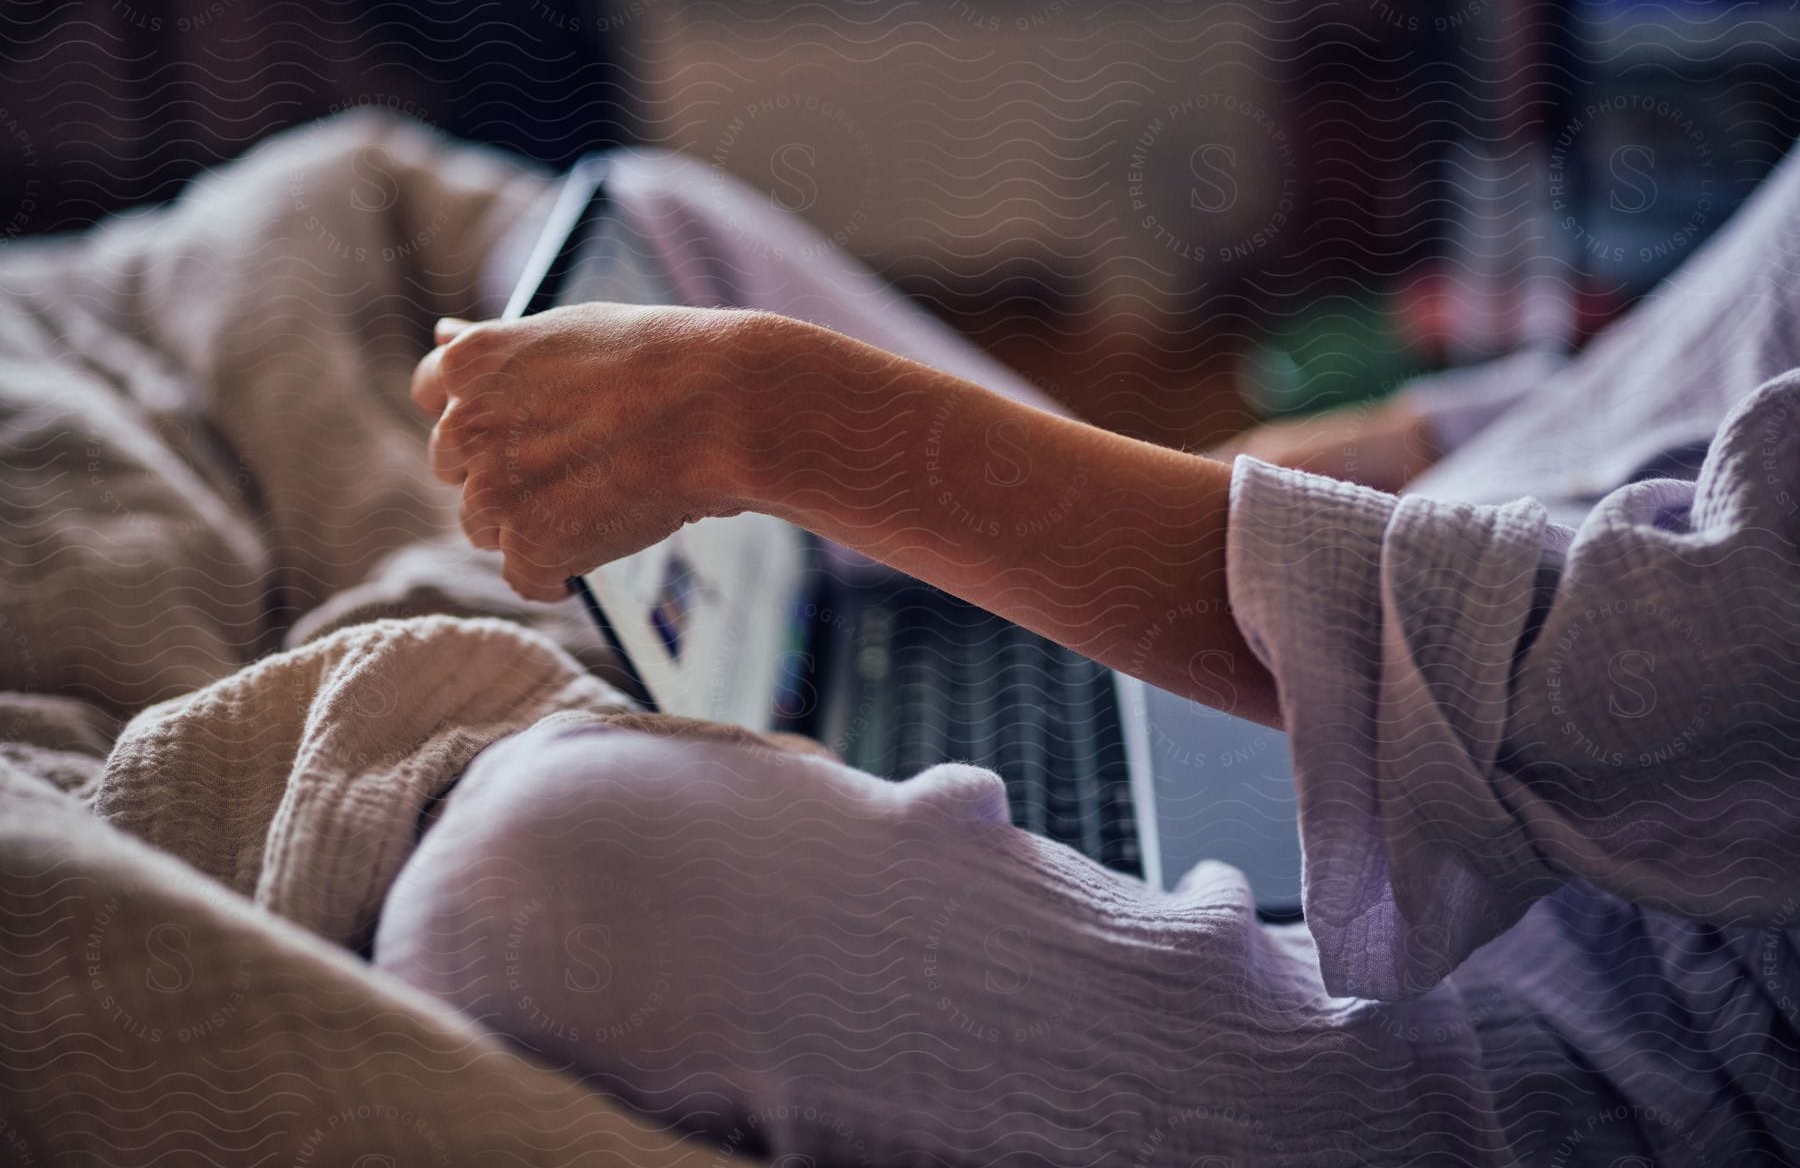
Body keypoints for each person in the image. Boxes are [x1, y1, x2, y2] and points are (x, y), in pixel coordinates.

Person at [373, 138, 1800, 1167]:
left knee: (534, 889)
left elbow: (1601, 696)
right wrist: (1393, 447)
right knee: (651, 221)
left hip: (1609, 1006)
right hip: (1445, 567)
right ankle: (845, 692)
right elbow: (1706, 372)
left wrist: (793, 422)